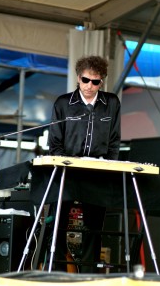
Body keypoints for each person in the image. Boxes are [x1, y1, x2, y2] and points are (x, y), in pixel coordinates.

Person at [48, 55, 121, 273]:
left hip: (98, 171)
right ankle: (57, 271)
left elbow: (115, 140)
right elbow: (54, 141)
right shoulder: (63, 103)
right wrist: (66, 163)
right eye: (85, 80)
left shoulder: (112, 103)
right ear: (78, 78)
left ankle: (89, 273)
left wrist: (109, 165)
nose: (90, 86)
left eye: (95, 82)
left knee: (94, 226)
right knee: (57, 223)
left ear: (102, 81)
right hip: (67, 171)